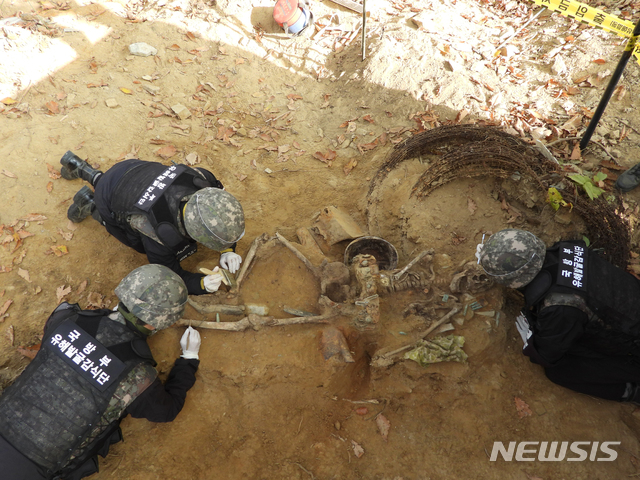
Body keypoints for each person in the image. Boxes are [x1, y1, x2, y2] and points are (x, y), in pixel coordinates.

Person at [0, 264, 202, 480]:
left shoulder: (65, 318)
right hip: (33, 469)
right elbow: (166, 411)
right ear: (158, 323)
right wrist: (189, 358)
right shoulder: (137, 375)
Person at [477, 228, 640, 404]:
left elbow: (548, 354)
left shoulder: (559, 305)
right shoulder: (566, 248)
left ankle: (632, 391)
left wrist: (532, 341)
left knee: (560, 371)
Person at [59, 151, 245, 295]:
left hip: (131, 168)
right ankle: (90, 204)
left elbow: (221, 212)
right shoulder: (159, 233)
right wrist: (201, 284)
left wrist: (227, 248)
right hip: (109, 195)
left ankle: (82, 168)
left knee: (115, 185)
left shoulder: (202, 180)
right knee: (132, 238)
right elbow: (170, 273)